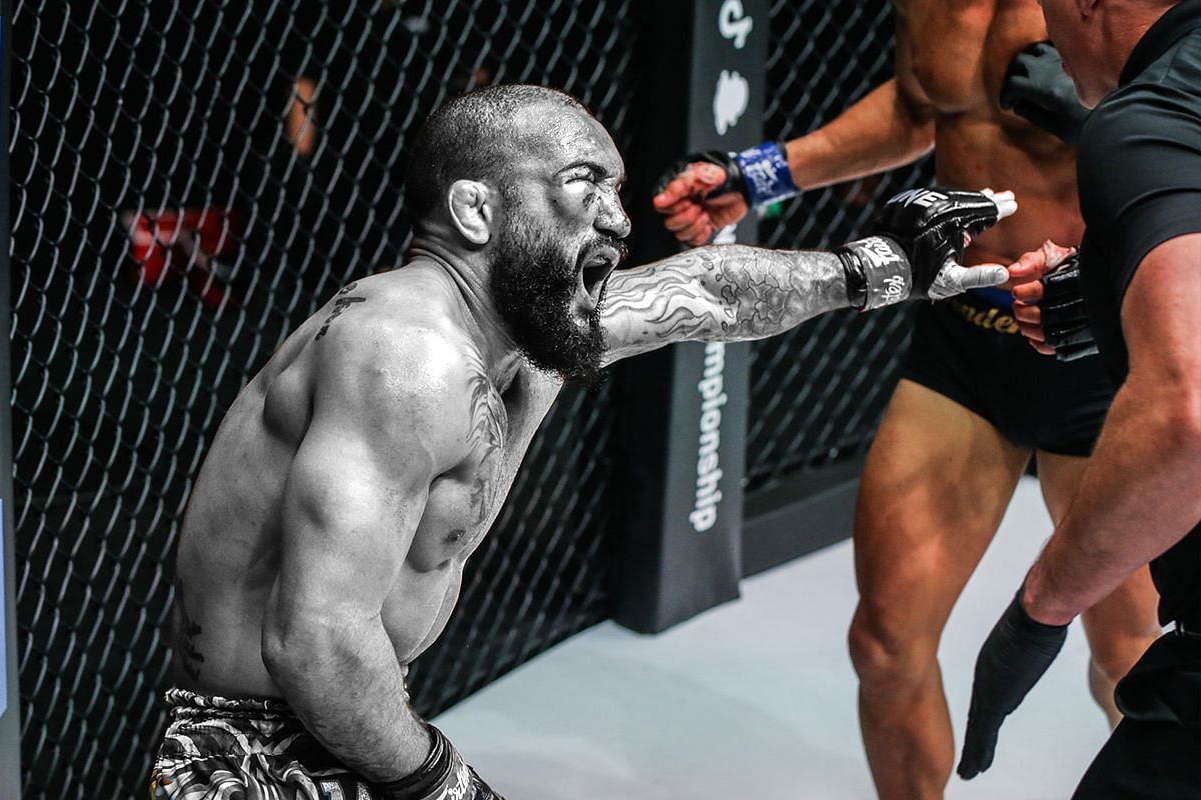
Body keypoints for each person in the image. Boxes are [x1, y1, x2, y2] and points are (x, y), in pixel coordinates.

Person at [146, 83, 1013, 799]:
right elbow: (318, 637)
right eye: (582, 185)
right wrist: (443, 782)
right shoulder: (405, 355)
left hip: (349, 715)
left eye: (616, 192)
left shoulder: (528, 328)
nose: (617, 219)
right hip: (248, 754)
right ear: (476, 208)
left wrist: (883, 268)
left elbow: (706, 290)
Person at [651, 3, 1162, 797]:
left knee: (1132, 656)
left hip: (1105, 351)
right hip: (965, 336)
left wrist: (1103, 119)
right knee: (887, 645)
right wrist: (762, 173)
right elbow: (925, 104)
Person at [957, 1, 1201, 796]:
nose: (1044, 30)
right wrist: (1119, 278)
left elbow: (1186, 418)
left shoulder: (1147, 119)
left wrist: (1038, 611)